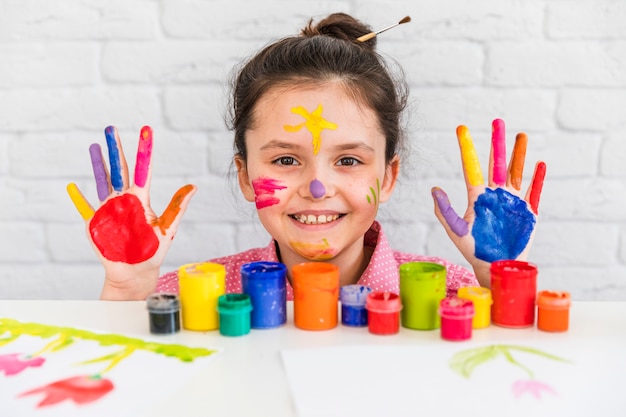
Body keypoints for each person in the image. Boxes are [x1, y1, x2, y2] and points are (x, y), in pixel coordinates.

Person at [67, 12, 545, 301]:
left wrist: (498, 279)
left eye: (350, 161)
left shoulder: (459, 294)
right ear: (247, 176)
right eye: (286, 161)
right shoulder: (193, 296)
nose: (318, 187)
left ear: (390, 174)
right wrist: (129, 289)